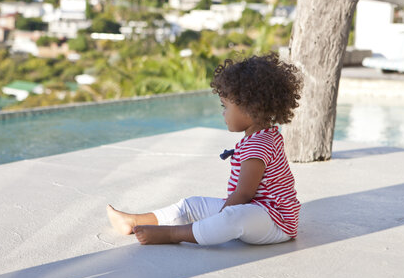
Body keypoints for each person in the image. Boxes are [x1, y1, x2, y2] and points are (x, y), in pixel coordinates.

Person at [107, 52, 303, 245]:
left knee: (234, 216)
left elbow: (244, 194)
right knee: (193, 205)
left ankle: (174, 234)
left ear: (252, 107)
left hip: (276, 222)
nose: (223, 113)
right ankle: (134, 221)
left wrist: (216, 219)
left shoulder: (258, 145)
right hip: (256, 210)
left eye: (225, 106)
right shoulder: (262, 136)